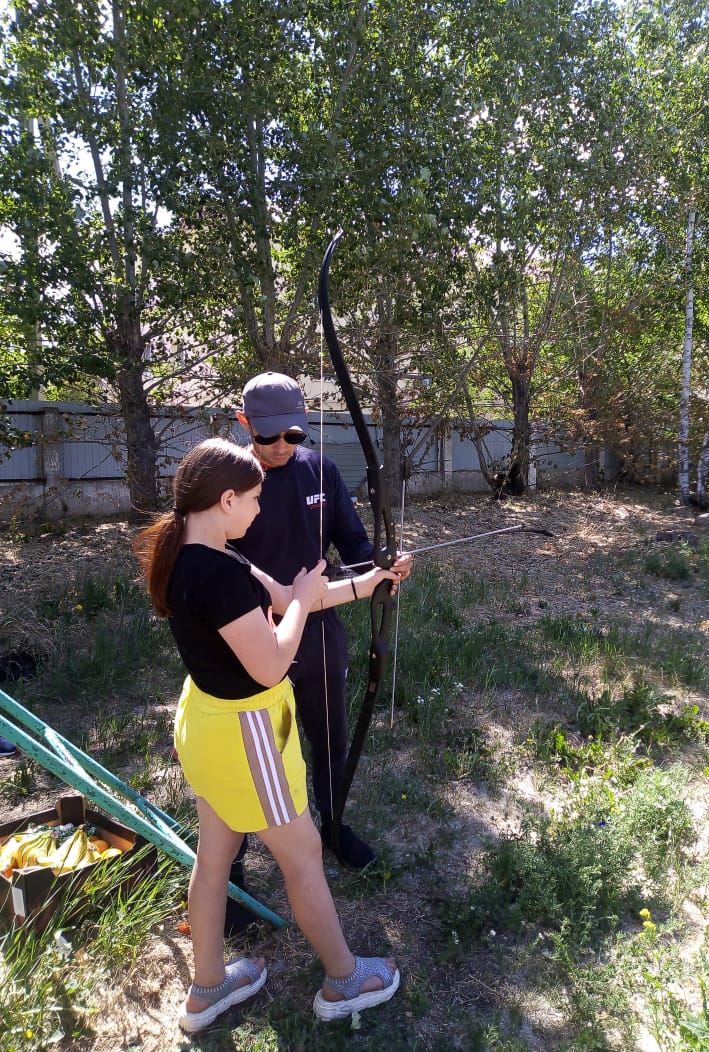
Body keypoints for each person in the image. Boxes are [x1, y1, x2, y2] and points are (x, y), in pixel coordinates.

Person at [134, 437, 400, 1033]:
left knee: (213, 859)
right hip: (246, 736)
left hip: (208, 726)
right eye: (254, 499)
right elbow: (272, 662)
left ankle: (206, 989)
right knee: (303, 855)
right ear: (226, 500)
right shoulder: (217, 575)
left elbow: (284, 598)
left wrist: (370, 583)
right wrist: (302, 602)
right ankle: (344, 980)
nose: (259, 510)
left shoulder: (202, 552)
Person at [234, 372, 412, 870]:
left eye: (293, 434)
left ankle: (333, 823)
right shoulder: (228, 481)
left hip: (319, 629)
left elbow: (353, 544)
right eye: (267, 435)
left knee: (329, 734)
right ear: (244, 422)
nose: (281, 446)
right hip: (254, 633)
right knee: (252, 749)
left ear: (306, 421)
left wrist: (382, 564)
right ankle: (234, 857)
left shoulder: (321, 470)